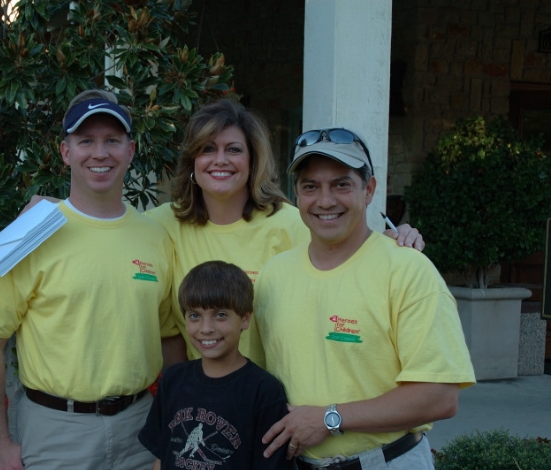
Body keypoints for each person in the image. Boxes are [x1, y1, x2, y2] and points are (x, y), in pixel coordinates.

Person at [30, 98, 424, 367]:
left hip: (279, 404)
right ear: (193, 162)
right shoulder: (160, 226)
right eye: (208, 149)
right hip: (202, 402)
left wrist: (396, 239)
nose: (220, 161)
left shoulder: (291, 224)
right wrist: (56, 210)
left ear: (253, 160)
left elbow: (352, 254)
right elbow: (108, 232)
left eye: (233, 150)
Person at [255, 127, 476, 470]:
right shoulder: (274, 276)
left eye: (342, 184)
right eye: (311, 186)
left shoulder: (408, 271)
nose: (324, 200)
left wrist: (330, 418)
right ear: (297, 194)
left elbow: (439, 396)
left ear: (370, 189)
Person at [0, 89, 178, 470]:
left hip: (136, 425)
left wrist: (173, 423)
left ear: (131, 151)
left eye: (112, 140)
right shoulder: (32, 231)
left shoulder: (154, 235)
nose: (100, 152)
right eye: (85, 140)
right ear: (65, 152)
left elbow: (170, 336)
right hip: (52, 428)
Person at [135, 260, 293, 470]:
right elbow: (162, 466)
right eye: (195, 315)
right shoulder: (175, 381)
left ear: (245, 318)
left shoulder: (263, 392)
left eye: (220, 315)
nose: (206, 328)